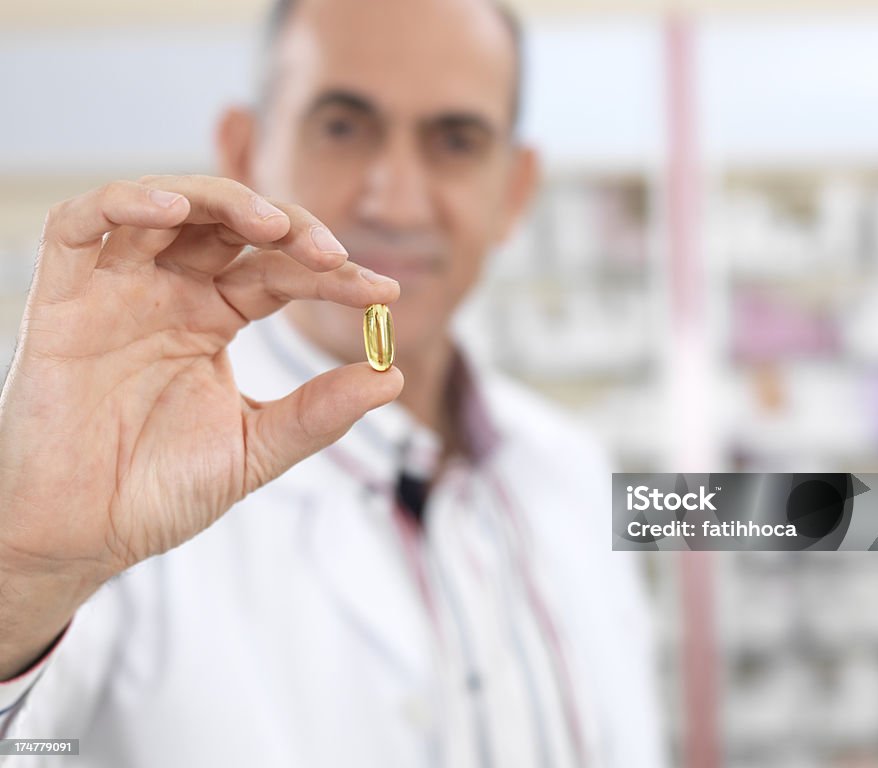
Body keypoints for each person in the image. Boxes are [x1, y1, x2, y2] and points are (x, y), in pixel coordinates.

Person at [0, 0, 666, 765]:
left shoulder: (572, 470)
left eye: (455, 140)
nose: (396, 199)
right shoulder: (121, 473)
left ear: (514, 191)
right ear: (244, 153)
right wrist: (22, 575)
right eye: (343, 127)